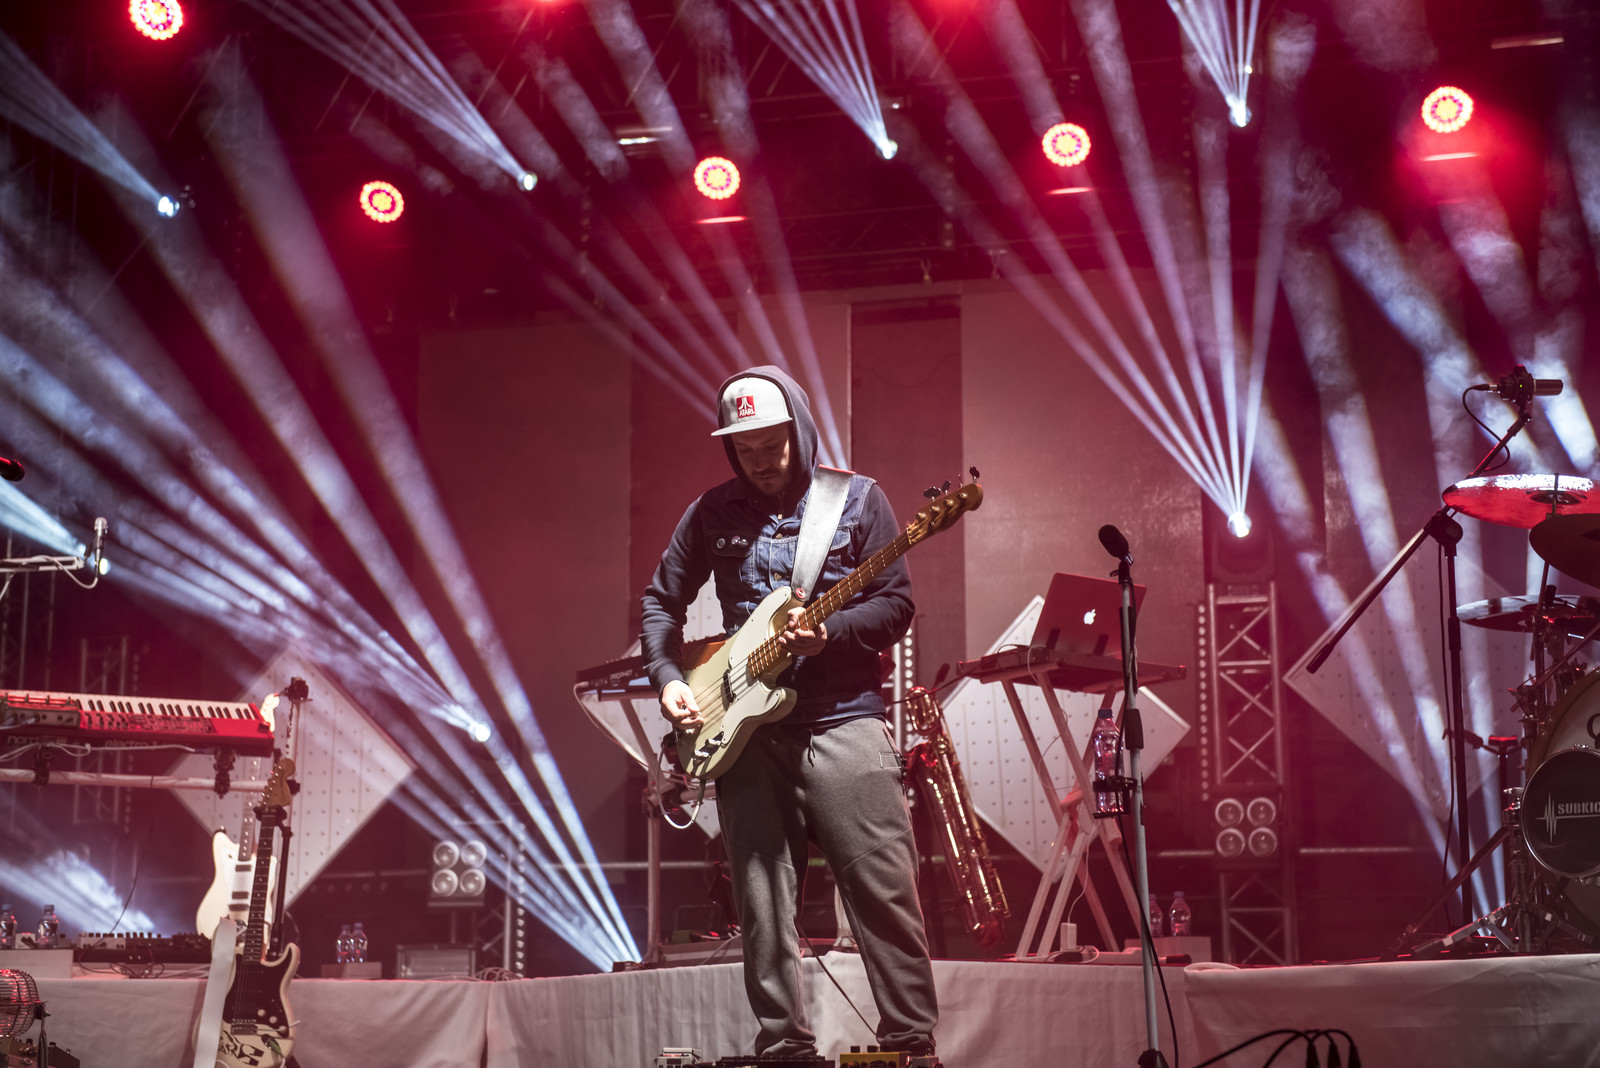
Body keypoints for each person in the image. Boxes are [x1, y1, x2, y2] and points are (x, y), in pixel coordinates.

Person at [641, 366, 938, 1059]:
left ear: (799, 431)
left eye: (772, 445)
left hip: (844, 715)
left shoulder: (858, 500)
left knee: (882, 887)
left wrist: (830, 631)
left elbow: (896, 605)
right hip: (746, 730)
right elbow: (661, 603)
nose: (761, 461)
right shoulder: (710, 512)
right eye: (744, 449)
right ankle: (783, 1046)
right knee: (761, 902)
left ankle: (910, 1044)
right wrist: (668, 678)